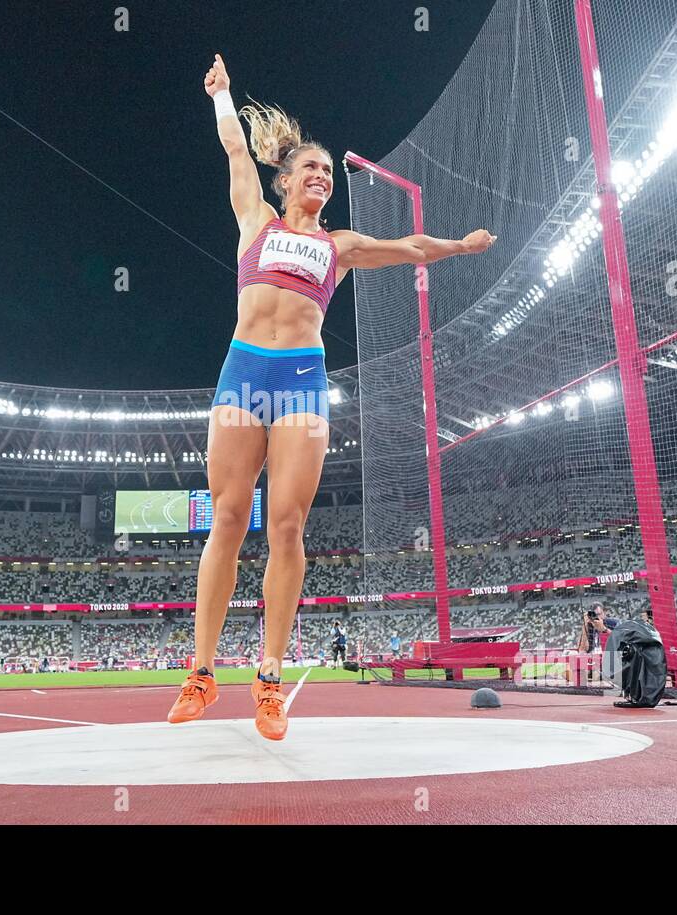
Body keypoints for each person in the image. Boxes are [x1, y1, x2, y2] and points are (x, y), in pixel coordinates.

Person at [167, 53, 496, 740]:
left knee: (286, 524)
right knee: (228, 516)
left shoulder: (339, 246)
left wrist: (458, 248)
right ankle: (201, 671)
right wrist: (222, 98)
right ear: (285, 180)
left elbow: (408, 248)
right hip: (243, 372)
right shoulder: (256, 220)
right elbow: (233, 146)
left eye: (326, 172)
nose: (320, 177)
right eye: (309, 169)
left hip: (302, 381)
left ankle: (268, 676)